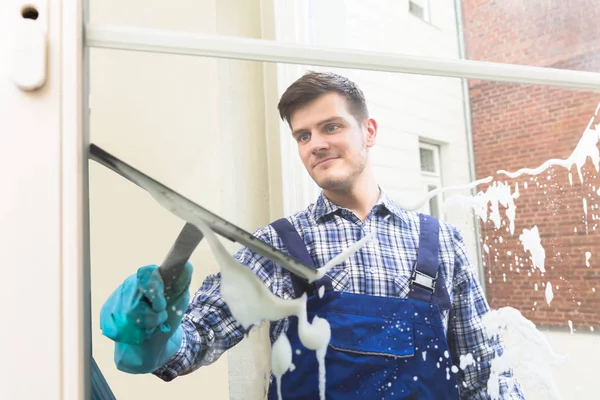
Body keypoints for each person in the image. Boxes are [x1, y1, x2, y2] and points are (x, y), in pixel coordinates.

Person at [100, 71, 525, 399]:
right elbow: (195, 343)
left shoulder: (441, 242)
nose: (315, 144)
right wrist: (155, 330)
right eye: (303, 136)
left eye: (331, 127)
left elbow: (484, 374)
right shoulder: (276, 246)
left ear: (369, 132)